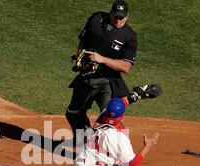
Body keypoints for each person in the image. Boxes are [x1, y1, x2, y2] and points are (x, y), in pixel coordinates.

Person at [66, 0, 159, 142]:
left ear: (127, 17)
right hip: (86, 76)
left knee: (112, 116)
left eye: (122, 17)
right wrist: (81, 58)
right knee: (73, 113)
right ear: (110, 13)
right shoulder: (96, 19)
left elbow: (126, 67)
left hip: (108, 81)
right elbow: (83, 40)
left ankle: (117, 153)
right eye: (116, 16)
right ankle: (84, 142)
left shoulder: (129, 36)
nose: (118, 20)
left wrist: (101, 59)